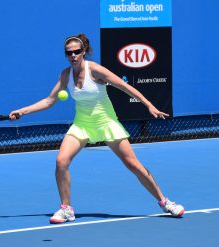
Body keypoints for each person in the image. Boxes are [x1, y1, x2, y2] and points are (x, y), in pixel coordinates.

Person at [9, 33, 185, 224]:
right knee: (61, 161)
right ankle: (66, 209)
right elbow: (49, 100)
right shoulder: (65, 74)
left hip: (107, 123)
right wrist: (22, 111)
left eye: (77, 52)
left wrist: (149, 105)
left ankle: (165, 202)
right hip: (82, 124)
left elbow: (125, 87)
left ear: (83, 52)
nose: (73, 56)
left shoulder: (95, 70)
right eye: (69, 53)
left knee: (133, 164)